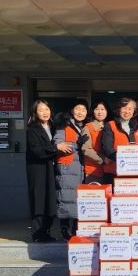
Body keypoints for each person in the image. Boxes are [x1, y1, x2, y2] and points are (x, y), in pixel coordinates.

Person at [25, 100, 73, 242]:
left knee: (50, 201)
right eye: (40, 110)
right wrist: (56, 148)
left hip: (51, 169)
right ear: (35, 113)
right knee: (39, 201)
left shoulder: (53, 127)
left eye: (46, 109)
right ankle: (37, 234)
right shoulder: (32, 129)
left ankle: (45, 232)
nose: (44, 113)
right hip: (38, 169)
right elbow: (36, 151)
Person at [53, 100, 88, 240]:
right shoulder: (64, 126)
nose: (80, 112)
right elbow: (59, 145)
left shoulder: (86, 126)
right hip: (67, 168)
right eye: (77, 109)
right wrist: (76, 144)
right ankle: (64, 228)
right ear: (72, 111)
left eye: (83, 110)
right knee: (67, 199)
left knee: (78, 200)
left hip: (81, 168)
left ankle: (75, 228)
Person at [101, 98, 138, 174]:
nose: (127, 111)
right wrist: (125, 160)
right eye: (124, 108)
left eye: (130, 109)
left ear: (134, 111)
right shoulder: (110, 125)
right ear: (119, 109)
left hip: (133, 170)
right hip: (114, 170)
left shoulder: (137, 127)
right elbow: (107, 149)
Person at [80, 100, 114, 184]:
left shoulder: (112, 126)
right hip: (93, 171)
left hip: (110, 170)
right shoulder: (88, 127)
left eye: (103, 109)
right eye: (97, 109)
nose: (100, 112)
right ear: (93, 111)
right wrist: (103, 159)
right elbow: (86, 149)